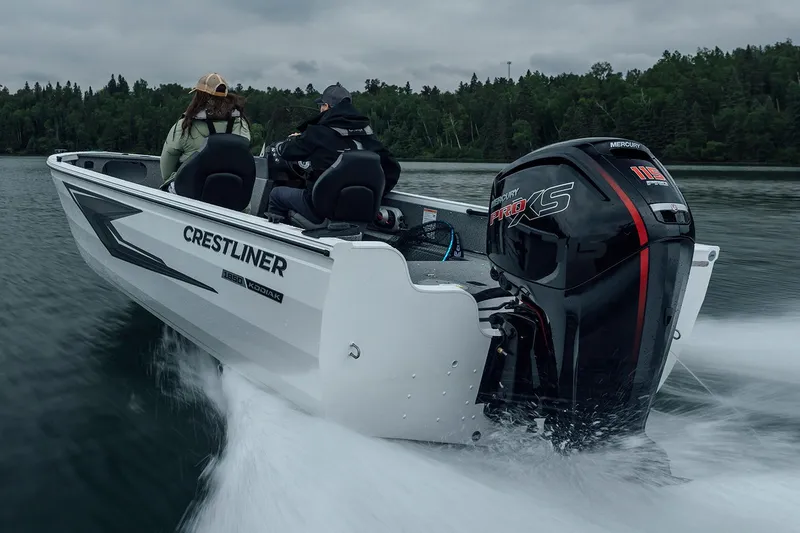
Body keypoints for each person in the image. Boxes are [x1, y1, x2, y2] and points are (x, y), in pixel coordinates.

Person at [266, 83, 401, 222]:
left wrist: (294, 139)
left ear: (326, 106)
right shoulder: (367, 134)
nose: (320, 109)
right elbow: (393, 169)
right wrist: (376, 196)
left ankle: (276, 240)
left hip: (321, 209)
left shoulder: (318, 132)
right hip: (358, 208)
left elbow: (287, 152)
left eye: (321, 106)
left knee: (276, 195)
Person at [159, 73, 251, 183]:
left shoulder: (184, 125)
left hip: (190, 193)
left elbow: (166, 170)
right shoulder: (241, 123)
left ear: (199, 96)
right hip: (231, 194)